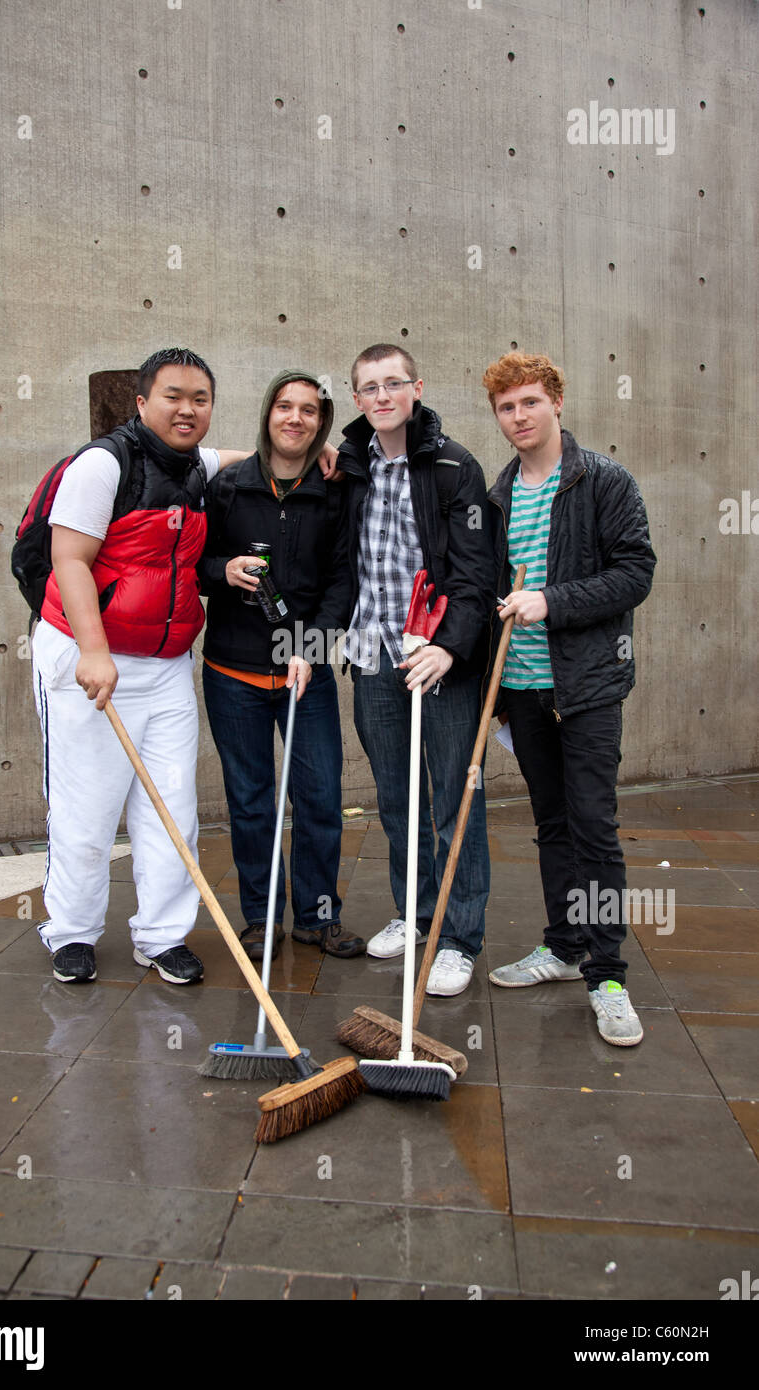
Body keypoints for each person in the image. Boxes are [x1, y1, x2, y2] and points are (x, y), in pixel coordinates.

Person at [32, 347, 253, 985]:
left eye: (200, 399)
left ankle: (160, 936)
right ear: (141, 402)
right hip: (89, 656)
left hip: (165, 665)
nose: (187, 410)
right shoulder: (102, 464)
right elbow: (70, 560)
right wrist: (94, 653)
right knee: (87, 806)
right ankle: (70, 931)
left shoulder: (196, 465)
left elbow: (241, 459)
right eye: (173, 397)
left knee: (171, 807)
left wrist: (305, 454)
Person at [483, 351, 656, 1045]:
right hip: (522, 690)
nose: (519, 417)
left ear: (557, 401)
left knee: (593, 826)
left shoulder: (602, 480)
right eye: (506, 407)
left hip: (585, 689)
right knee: (551, 824)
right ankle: (562, 946)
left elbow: (635, 573)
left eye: (529, 402)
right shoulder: (498, 494)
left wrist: (549, 601)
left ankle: (608, 974)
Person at [337, 344, 495, 996]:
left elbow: (476, 572)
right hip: (373, 655)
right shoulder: (346, 468)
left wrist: (451, 647)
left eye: (393, 383)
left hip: (438, 659)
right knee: (397, 797)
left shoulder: (455, 467)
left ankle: (457, 938)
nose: (382, 396)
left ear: (416, 388)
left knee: (456, 797)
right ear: (356, 398)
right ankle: (415, 914)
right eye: (369, 387)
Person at [198, 370, 364, 959]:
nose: (296, 418)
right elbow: (194, 563)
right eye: (285, 407)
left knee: (318, 797)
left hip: (306, 673)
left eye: (310, 411)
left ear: (322, 423)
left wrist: (312, 647)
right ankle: (261, 918)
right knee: (250, 801)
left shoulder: (336, 490)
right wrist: (223, 570)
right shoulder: (229, 487)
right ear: (268, 412)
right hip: (232, 673)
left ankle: (318, 918)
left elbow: (345, 581)